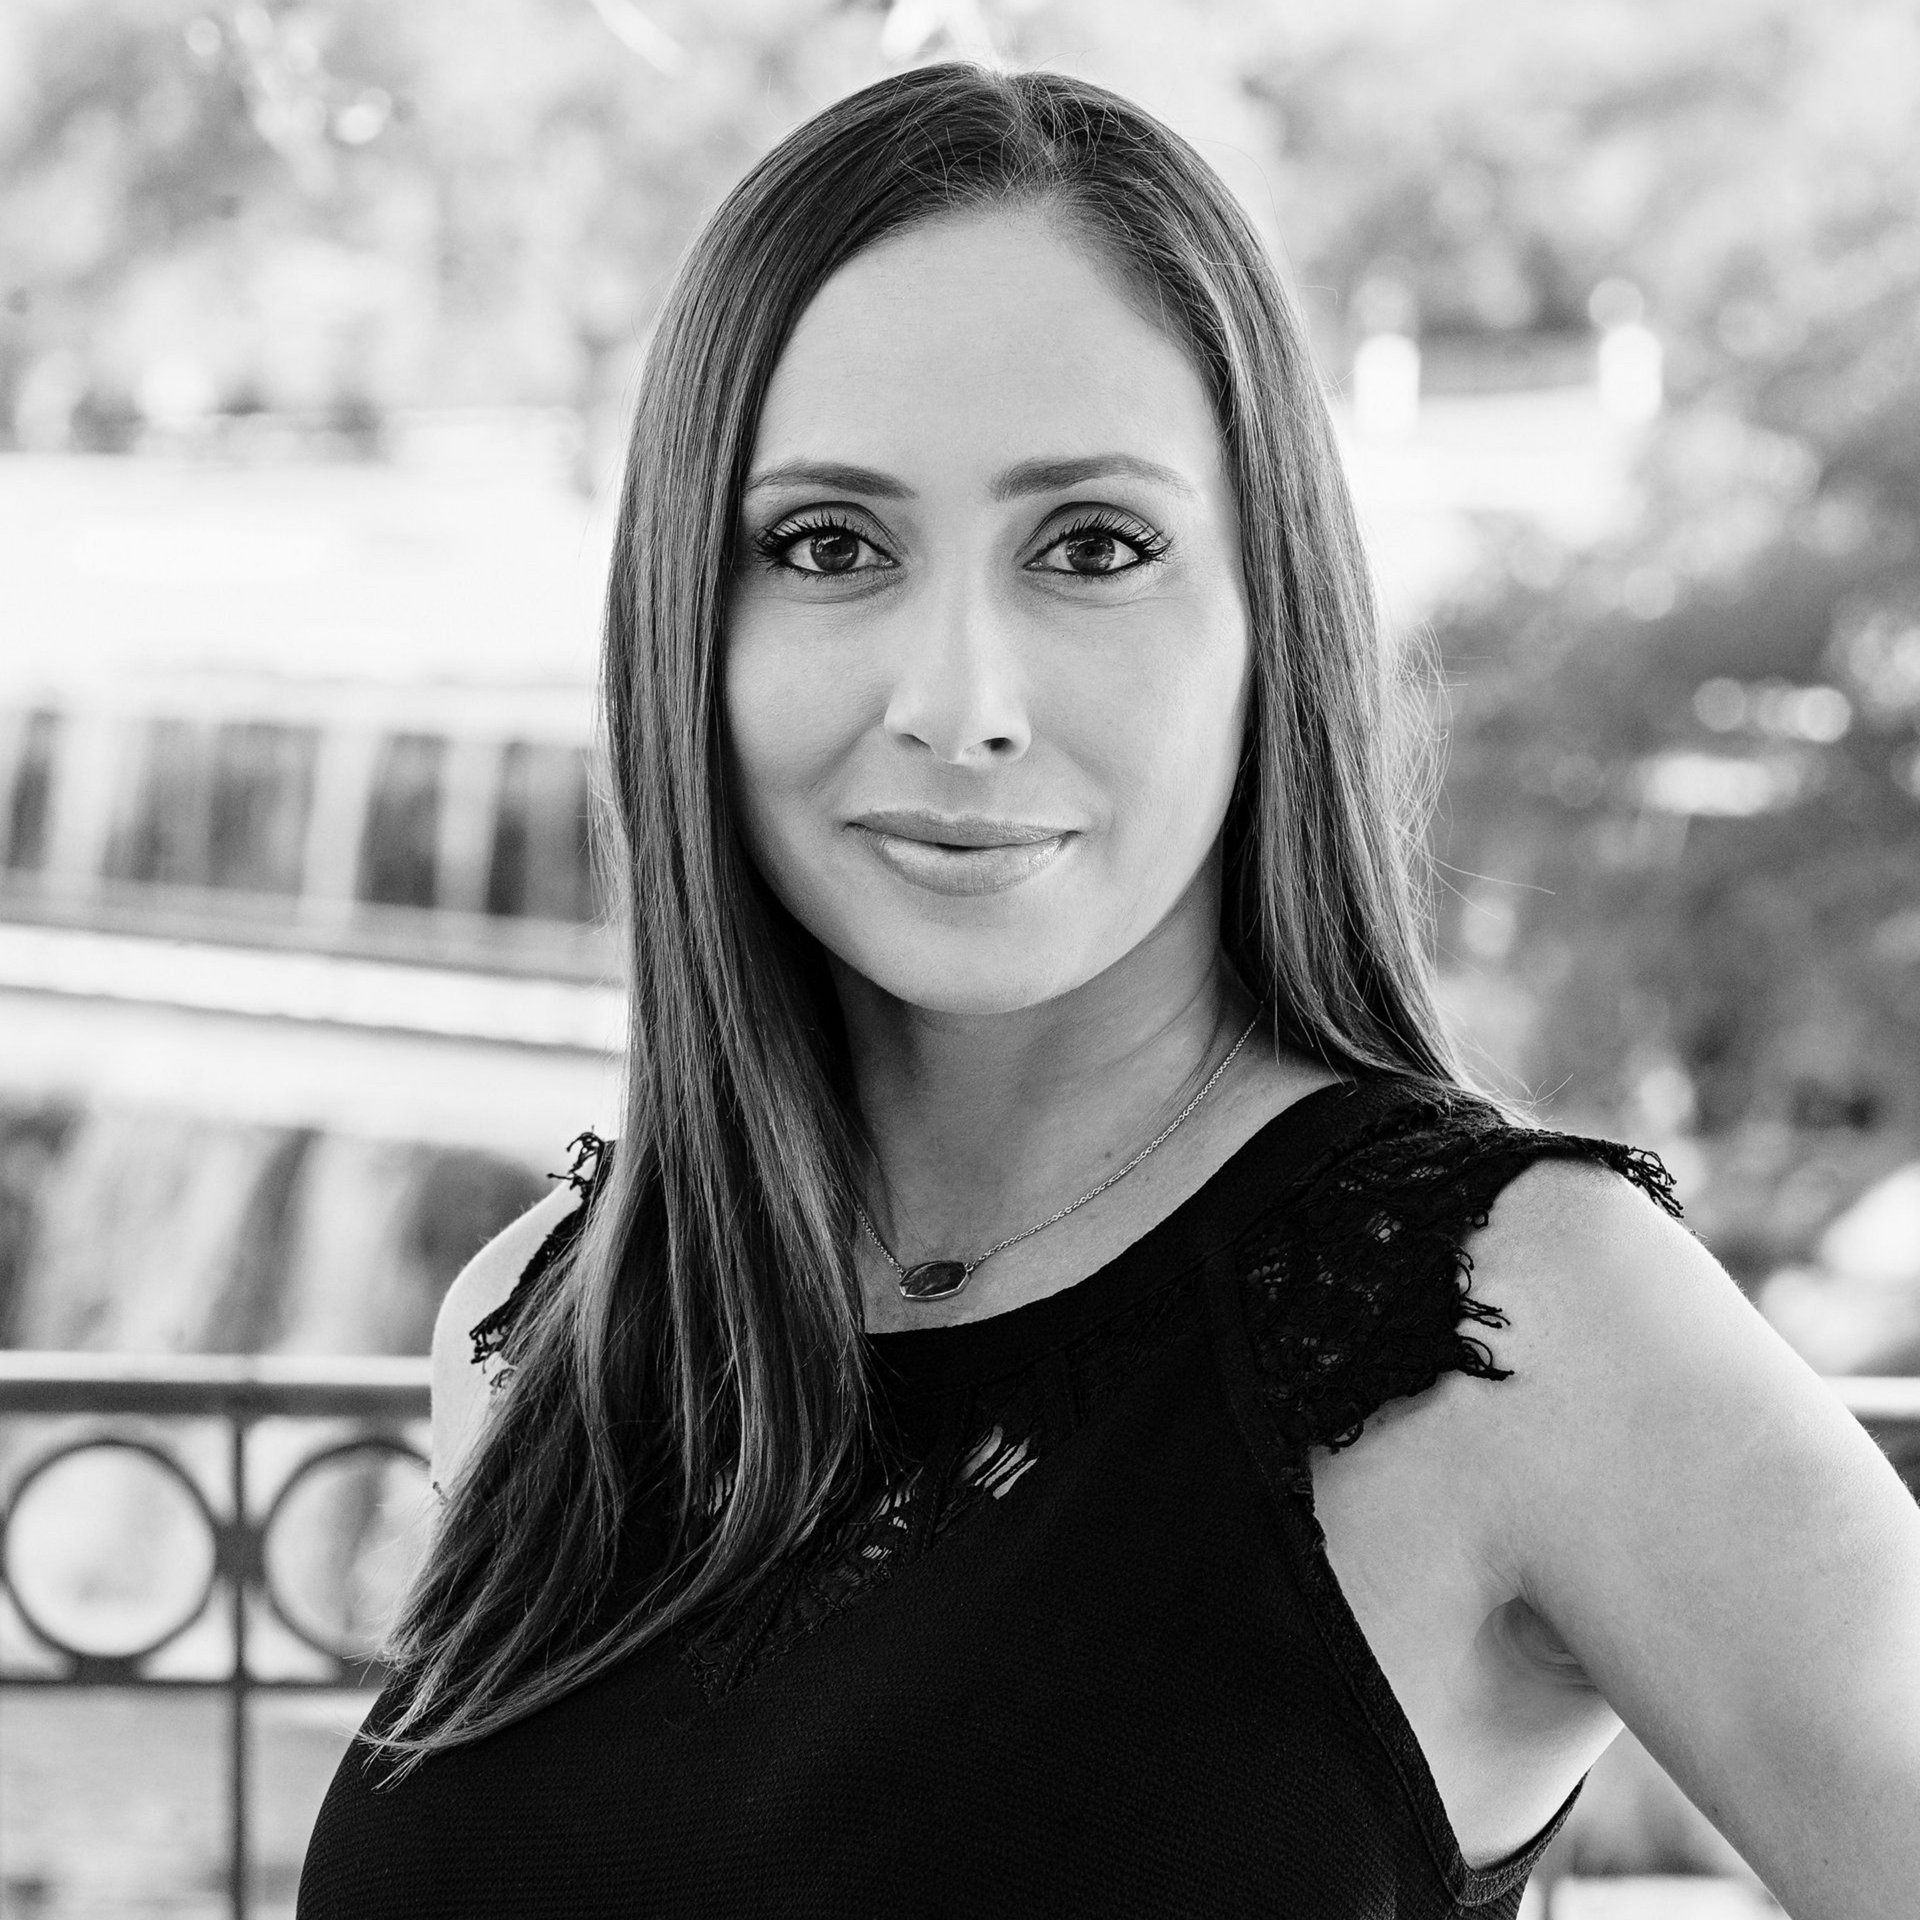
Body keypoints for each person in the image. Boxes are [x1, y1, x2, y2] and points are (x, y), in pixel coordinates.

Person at [297, 63, 1920, 1919]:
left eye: (1093, 547)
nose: (959, 698)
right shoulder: (538, 1330)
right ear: (688, 622)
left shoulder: (1512, 1321)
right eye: (829, 546)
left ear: (1269, 618)